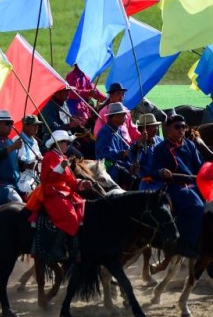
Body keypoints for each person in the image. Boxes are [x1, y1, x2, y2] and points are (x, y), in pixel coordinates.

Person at [150, 114, 205, 258]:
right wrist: (162, 172)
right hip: (175, 187)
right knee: (197, 207)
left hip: (194, 183)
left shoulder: (190, 145)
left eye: (184, 126)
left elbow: (200, 166)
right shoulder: (161, 148)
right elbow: (153, 171)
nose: (182, 130)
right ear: (168, 129)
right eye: (177, 127)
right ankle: (189, 245)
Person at [36, 130, 91, 258]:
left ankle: (74, 244)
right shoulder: (49, 156)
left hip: (65, 192)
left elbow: (70, 181)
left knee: (82, 205)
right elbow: (47, 179)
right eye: (66, 143)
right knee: (70, 215)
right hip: (52, 193)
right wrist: (61, 167)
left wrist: (82, 183)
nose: (68, 145)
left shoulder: (63, 158)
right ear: (58, 144)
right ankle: (56, 246)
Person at [95, 102, 135, 187]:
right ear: (116, 117)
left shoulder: (118, 130)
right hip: (108, 166)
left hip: (118, 163)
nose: (126, 117)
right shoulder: (104, 132)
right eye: (123, 115)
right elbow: (104, 153)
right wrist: (122, 153)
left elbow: (125, 148)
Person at [40, 86, 84, 156]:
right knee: (79, 156)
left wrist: (76, 122)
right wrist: (70, 125)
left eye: (69, 91)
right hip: (53, 141)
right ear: (57, 93)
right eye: (66, 91)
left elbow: (68, 119)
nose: (68, 94)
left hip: (66, 139)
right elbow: (52, 128)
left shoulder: (64, 104)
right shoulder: (48, 107)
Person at [131, 113, 163, 191]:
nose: (156, 129)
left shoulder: (160, 140)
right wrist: (140, 143)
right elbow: (134, 158)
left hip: (162, 180)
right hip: (148, 184)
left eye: (156, 126)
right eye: (153, 127)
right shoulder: (137, 144)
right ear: (144, 129)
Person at [16, 115, 43, 196]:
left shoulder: (35, 141)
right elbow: (14, 161)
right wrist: (26, 165)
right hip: (21, 175)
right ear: (25, 126)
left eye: (37, 125)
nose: (37, 127)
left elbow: (39, 156)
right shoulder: (17, 140)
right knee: (28, 189)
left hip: (35, 174)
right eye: (34, 125)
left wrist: (40, 159)